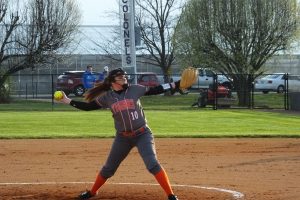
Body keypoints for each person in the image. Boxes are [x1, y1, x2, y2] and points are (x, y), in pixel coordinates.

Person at [57, 68, 180, 200]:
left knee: (152, 164)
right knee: (108, 169)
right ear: (112, 81)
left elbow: (157, 89)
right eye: (120, 77)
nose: (124, 78)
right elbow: (88, 107)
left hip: (142, 134)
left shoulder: (134, 89)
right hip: (123, 138)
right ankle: (92, 192)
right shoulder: (107, 97)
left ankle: (171, 195)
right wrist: (67, 101)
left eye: (125, 77)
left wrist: (177, 84)